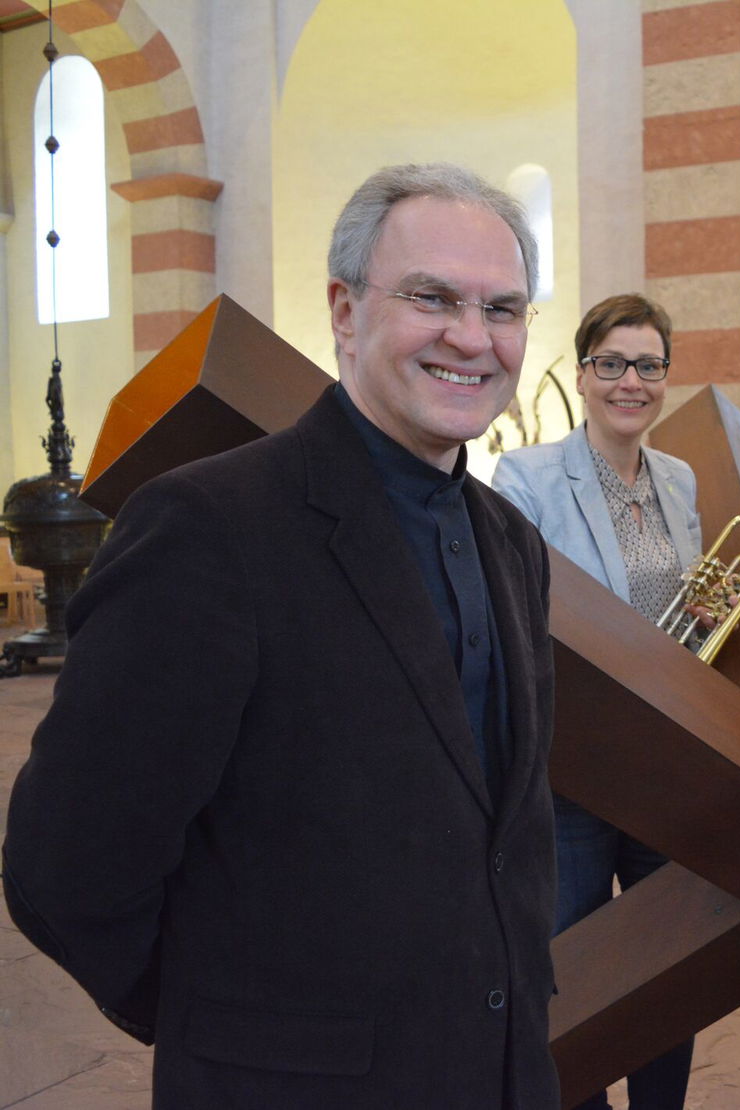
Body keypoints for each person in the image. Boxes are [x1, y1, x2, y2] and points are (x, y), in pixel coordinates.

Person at [2, 163, 560, 1108]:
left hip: (501, 1075)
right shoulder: (209, 526)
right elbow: (69, 864)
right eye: (433, 298)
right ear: (344, 310)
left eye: (503, 308)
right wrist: (228, 1020)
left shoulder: (513, 544)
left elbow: (500, 833)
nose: (474, 337)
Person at [492, 293, 699, 1110]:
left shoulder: (678, 479)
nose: (631, 382)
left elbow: (676, 611)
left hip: (661, 770)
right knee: (568, 965)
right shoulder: (529, 477)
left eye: (648, 366)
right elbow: (515, 614)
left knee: (664, 966)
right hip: (574, 770)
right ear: (582, 374)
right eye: (611, 363)